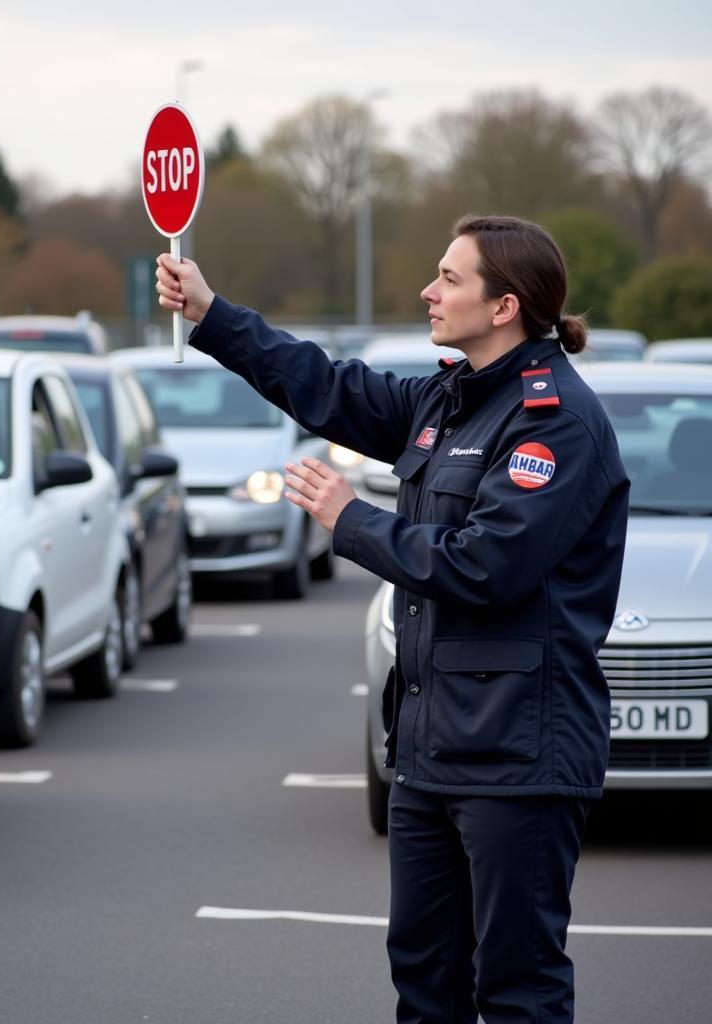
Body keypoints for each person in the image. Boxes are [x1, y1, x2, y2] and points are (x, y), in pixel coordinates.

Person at [155, 215, 629, 1024]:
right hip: (430, 754)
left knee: (519, 990)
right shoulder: (452, 397)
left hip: (518, 760)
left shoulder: (554, 422)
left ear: (506, 305)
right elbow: (333, 387)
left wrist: (351, 520)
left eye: (449, 278)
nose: (428, 291)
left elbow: (484, 566)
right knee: (423, 982)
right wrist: (212, 313)